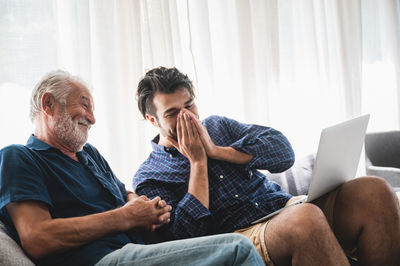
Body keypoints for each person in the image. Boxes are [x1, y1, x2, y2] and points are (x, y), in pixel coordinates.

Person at [133, 66, 400, 266]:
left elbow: (283, 152)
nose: (187, 117)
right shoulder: (150, 177)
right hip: (238, 236)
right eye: (172, 113)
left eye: (190, 104)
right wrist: (199, 163)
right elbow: (186, 239)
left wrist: (219, 151)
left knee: (374, 190)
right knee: (304, 219)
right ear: (152, 120)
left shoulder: (217, 126)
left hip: (284, 207)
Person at [0, 70, 264, 266]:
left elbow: (123, 193)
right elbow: (37, 238)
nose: (92, 118)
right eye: (84, 105)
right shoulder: (19, 157)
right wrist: (128, 216)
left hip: (134, 252)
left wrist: (144, 207)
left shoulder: (88, 155)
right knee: (236, 249)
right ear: (48, 104)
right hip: (100, 260)